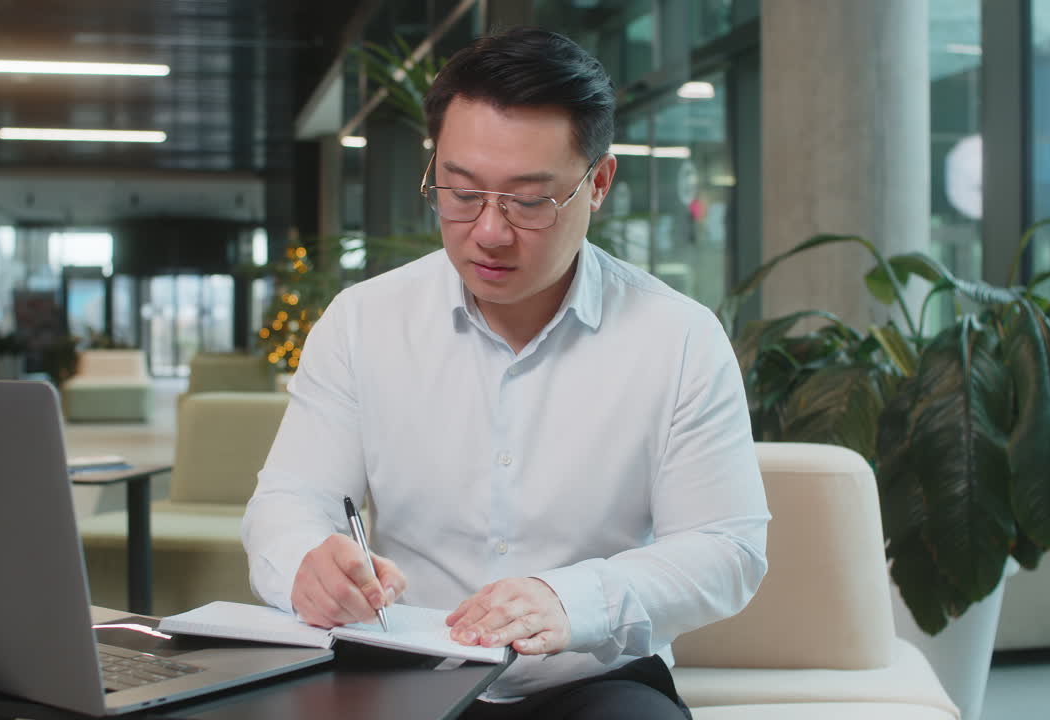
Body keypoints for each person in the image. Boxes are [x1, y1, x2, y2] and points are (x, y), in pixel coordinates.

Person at [242, 26, 770, 720]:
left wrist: (571, 599)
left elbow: (725, 548)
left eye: (528, 201)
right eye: (460, 193)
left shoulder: (678, 338)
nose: (488, 231)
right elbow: (286, 503)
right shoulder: (363, 321)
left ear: (599, 183)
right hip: (403, 667)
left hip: (590, 681)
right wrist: (308, 564)